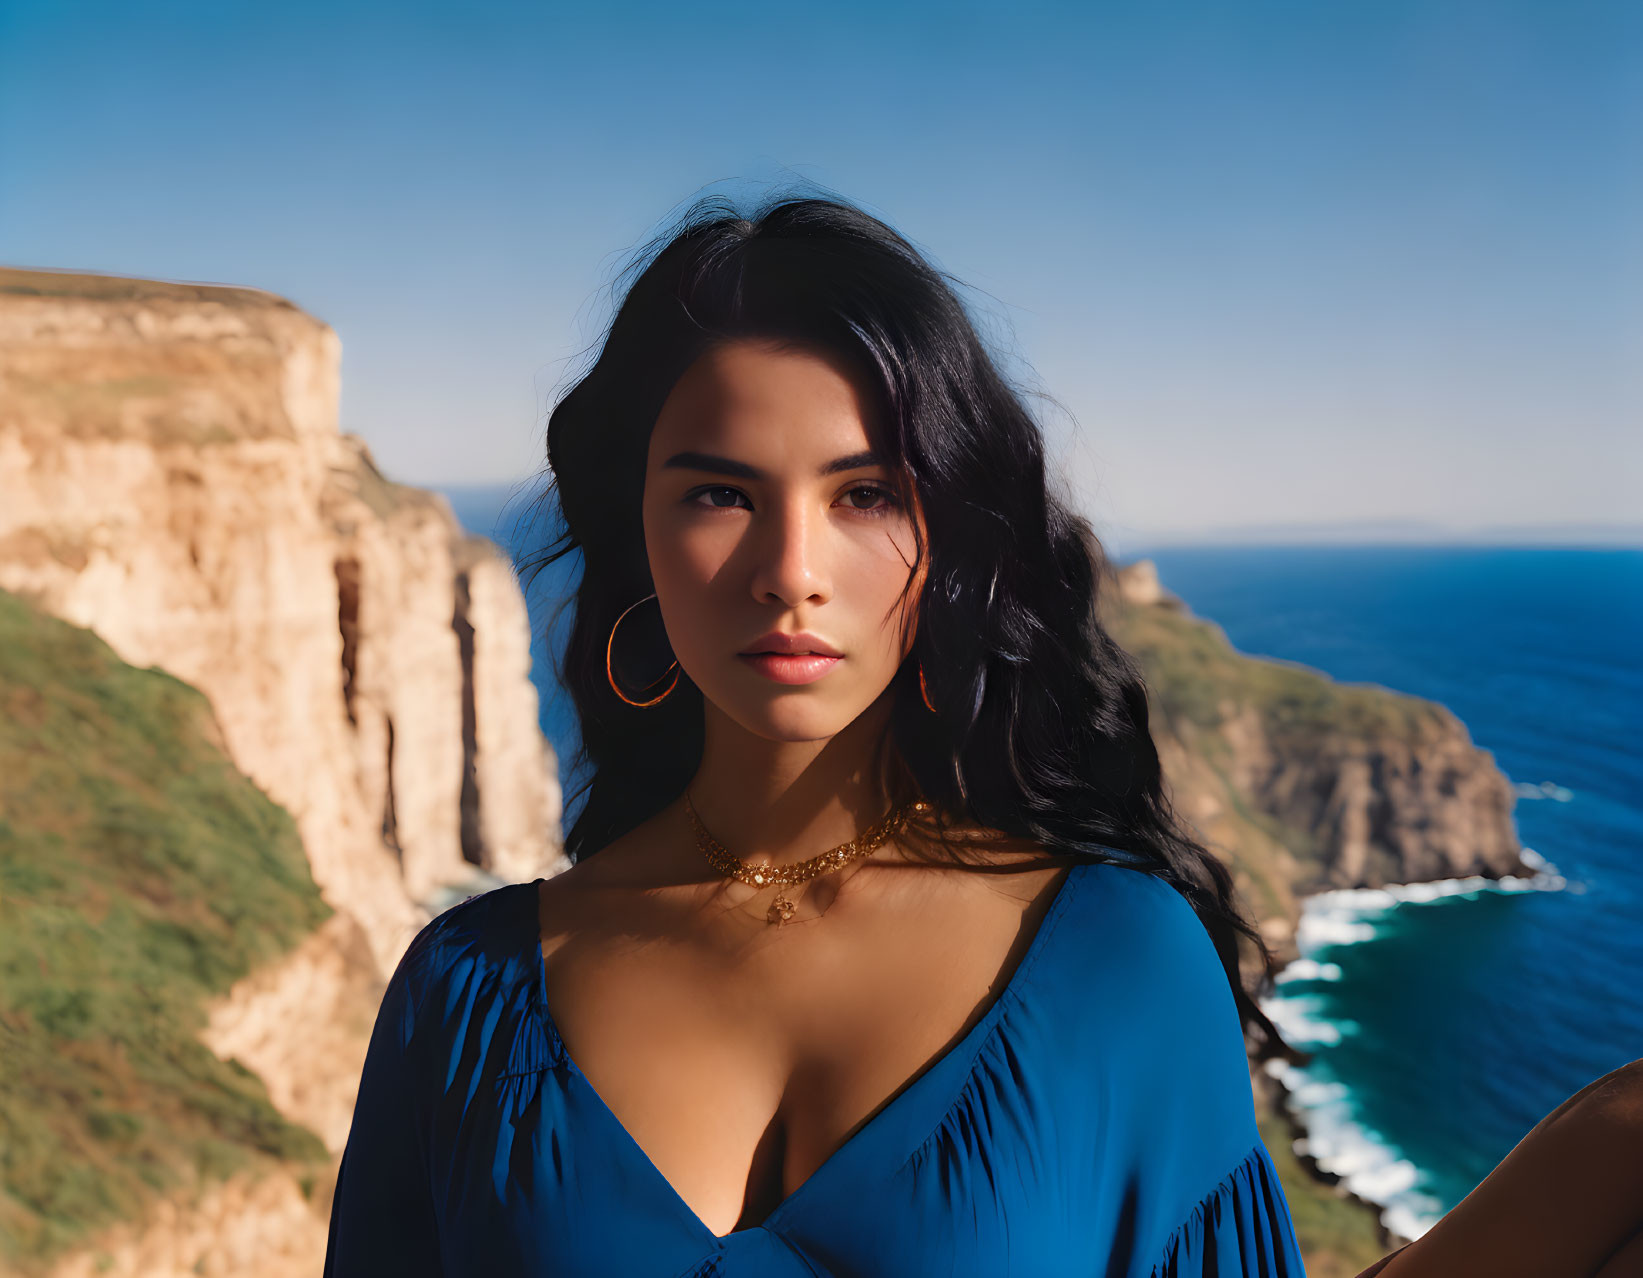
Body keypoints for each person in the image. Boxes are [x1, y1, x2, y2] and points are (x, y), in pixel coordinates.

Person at [323, 192, 1638, 1276]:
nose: (792, 568)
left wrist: (1607, 1141)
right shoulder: (463, 997)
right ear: (639, 534)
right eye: (722, 492)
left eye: (865, 495)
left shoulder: (1115, 959)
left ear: (946, 538)